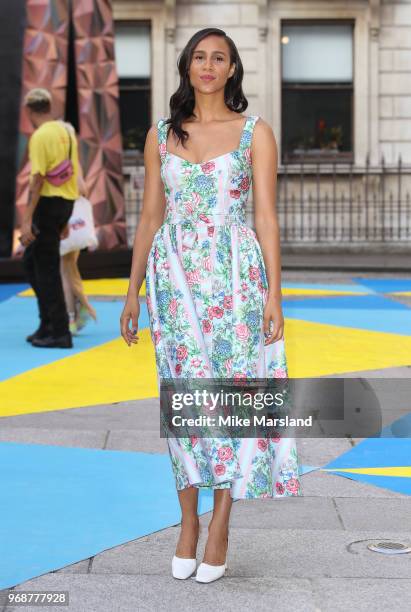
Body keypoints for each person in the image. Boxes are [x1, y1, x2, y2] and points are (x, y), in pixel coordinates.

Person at [120, 27, 302, 583]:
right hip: (173, 278)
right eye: (199, 56)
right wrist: (133, 289)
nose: (207, 65)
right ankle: (187, 522)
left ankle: (221, 520)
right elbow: (150, 216)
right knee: (183, 397)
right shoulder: (160, 134)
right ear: (187, 65)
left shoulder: (255, 134)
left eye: (218, 58)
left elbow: (266, 217)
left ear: (231, 70)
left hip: (235, 278)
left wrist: (274, 291)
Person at [21, 88, 80, 348]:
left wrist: (25, 220)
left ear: (29, 111)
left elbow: (37, 181)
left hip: (46, 205)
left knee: (46, 271)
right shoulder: (66, 131)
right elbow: (72, 171)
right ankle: (46, 324)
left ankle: (59, 332)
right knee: (32, 263)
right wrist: (65, 219)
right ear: (49, 106)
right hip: (65, 202)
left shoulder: (40, 136)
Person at [60, 164, 97, 334]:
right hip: (72, 221)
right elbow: (83, 188)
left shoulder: (60, 157)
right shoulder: (71, 157)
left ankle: (73, 315)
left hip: (62, 217)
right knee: (70, 270)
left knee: (66, 271)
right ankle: (79, 309)